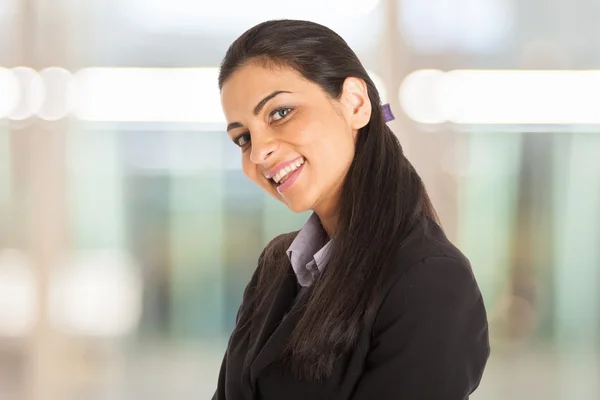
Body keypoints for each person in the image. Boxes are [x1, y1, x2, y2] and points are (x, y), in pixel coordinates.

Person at [213, 19, 490, 400]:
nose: (259, 153)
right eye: (243, 137)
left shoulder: (430, 280)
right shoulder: (277, 265)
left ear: (356, 104)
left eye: (280, 113)